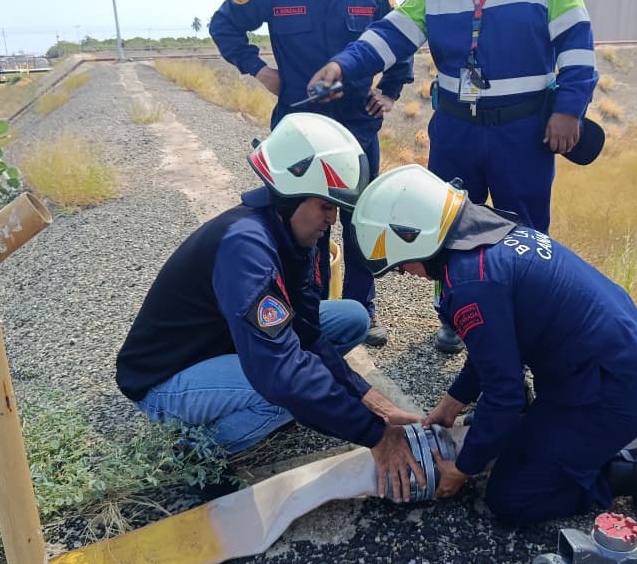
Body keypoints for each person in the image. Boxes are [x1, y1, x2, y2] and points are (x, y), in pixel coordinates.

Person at [308, 0, 599, 354]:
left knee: (522, 235)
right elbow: (388, 36)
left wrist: (569, 108)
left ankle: (522, 330)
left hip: (522, 134)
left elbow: (576, 40)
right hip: (456, 133)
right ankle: (457, 317)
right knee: (443, 229)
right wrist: (342, 64)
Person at [350, 164, 637, 526]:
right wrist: (451, 403)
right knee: (512, 443)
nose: (406, 274)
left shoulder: (472, 283)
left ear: (414, 238)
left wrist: (463, 469)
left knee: (512, 498)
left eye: (401, 266)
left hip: (613, 392)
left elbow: (505, 392)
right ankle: (553, 443)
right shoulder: (483, 233)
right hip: (609, 366)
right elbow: (495, 347)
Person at [116, 114, 424, 501]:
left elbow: (308, 332)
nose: (332, 220)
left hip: (220, 344)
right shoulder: (245, 247)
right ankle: (197, 452)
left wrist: (374, 403)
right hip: (165, 379)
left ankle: (257, 405)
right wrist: (375, 437)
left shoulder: (296, 235)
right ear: (291, 194)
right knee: (284, 392)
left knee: (349, 319)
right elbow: (282, 373)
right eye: (327, 207)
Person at [210, 0, 414, 348]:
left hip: (358, 129)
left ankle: (360, 310)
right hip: (300, 133)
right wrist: (260, 71)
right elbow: (224, 26)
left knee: (359, 219)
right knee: (302, 224)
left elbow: (400, 41)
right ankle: (310, 309)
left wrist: (392, 90)